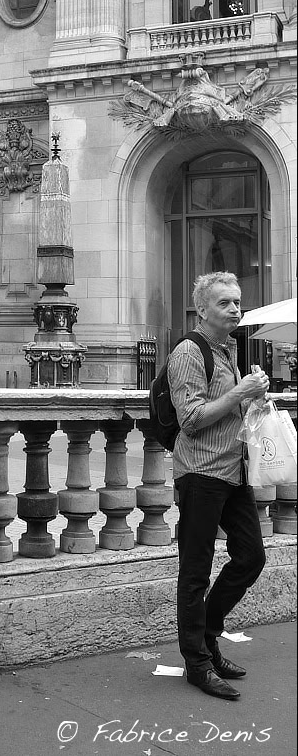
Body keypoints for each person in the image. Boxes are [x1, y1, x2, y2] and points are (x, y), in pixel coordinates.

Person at [167, 271, 270, 700]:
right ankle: (197, 662)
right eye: (225, 302)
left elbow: (228, 410)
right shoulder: (190, 351)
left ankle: (208, 634)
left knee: (251, 557)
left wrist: (255, 399)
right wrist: (239, 392)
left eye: (237, 301)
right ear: (202, 310)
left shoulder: (228, 349)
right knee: (195, 571)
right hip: (200, 473)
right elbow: (190, 419)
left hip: (233, 470)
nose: (235, 309)